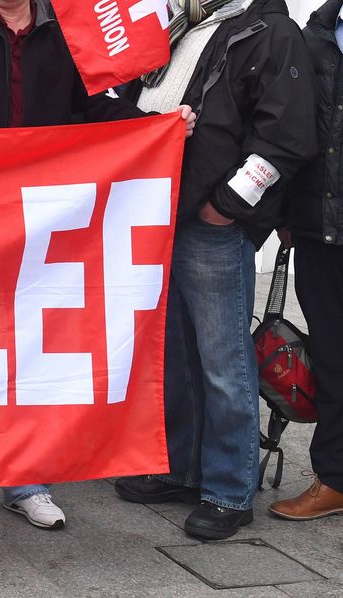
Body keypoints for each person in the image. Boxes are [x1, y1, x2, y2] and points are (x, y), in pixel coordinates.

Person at [0, 0, 195, 531]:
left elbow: (94, 105)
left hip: (38, 216)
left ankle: (28, 479)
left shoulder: (65, 32)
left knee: (30, 344)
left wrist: (157, 127)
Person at [114, 0, 317, 541]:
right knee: (177, 353)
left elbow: (286, 136)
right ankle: (181, 469)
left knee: (225, 363)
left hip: (211, 223)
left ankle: (229, 490)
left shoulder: (272, 32)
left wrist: (226, 205)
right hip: (162, 211)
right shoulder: (177, 26)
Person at [268, 0, 343, 523]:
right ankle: (335, 478)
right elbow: (293, 127)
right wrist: (286, 211)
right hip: (320, 225)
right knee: (333, 355)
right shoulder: (313, 31)